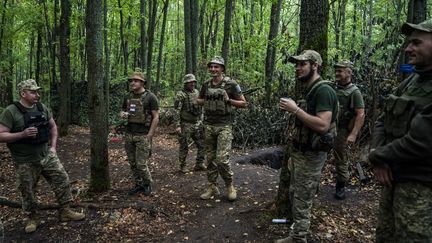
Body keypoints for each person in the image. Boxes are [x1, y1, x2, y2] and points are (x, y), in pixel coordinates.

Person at [369, 18, 432, 242]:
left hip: (422, 190)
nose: (408, 49)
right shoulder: (411, 81)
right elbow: (381, 120)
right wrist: (378, 158)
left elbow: (421, 140)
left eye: (416, 43)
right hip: (392, 180)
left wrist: (376, 155)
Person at [0, 79, 85, 234]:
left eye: (37, 91)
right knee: (28, 190)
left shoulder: (42, 107)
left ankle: (65, 211)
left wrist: (53, 147)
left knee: (62, 179)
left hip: (46, 155)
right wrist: (22, 134)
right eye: (33, 92)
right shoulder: (11, 111)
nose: (37, 95)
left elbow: (53, 126)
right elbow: (1, 135)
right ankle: (33, 217)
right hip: (25, 160)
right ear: (23, 93)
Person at [277, 50, 338, 243]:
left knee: (302, 198)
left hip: (312, 155)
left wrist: (295, 109)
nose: (298, 68)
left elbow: (322, 125)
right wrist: (293, 154)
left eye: (302, 64)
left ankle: (298, 238)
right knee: (296, 193)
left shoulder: (324, 90)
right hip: (300, 153)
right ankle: (297, 231)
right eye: (296, 65)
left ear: (315, 65)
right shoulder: (311, 89)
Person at [197, 56, 247, 202]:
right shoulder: (206, 85)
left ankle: (229, 185)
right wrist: (207, 99)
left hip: (224, 126)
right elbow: (198, 100)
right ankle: (212, 186)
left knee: (221, 159)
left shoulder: (231, 84)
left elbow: (244, 103)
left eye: (216, 67)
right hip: (209, 125)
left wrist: (228, 100)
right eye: (211, 67)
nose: (213, 69)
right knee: (210, 158)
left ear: (222, 69)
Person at [120, 71, 159, 196]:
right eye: (131, 80)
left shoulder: (150, 97)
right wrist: (122, 115)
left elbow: (156, 117)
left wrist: (150, 135)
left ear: (142, 82)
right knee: (132, 163)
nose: (132, 83)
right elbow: (123, 111)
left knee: (141, 164)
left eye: (136, 80)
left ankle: (147, 184)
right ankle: (138, 184)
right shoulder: (127, 96)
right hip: (129, 134)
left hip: (143, 135)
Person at [333, 60, 365, 200]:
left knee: (341, 157)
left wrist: (353, 134)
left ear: (349, 72)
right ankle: (314, 184)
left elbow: (360, 114)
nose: (337, 73)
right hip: (327, 127)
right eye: (337, 70)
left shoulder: (354, 92)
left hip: (342, 130)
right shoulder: (333, 87)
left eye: (340, 70)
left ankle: (341, 186)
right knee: (319, 154)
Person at [174, 74, 206, 173]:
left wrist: (202, 120)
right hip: (185, 124)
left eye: (193, 82)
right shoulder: (181, 95)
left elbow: (201, 107)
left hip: (197, 123)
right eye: (190, 82)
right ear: (186, 83)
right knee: (184, 146)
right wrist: (177, 125)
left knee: (202, 144)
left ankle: (199, 164)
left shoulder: (197, 92)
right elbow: (176, 111)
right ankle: (182, 166)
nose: (192, 83)